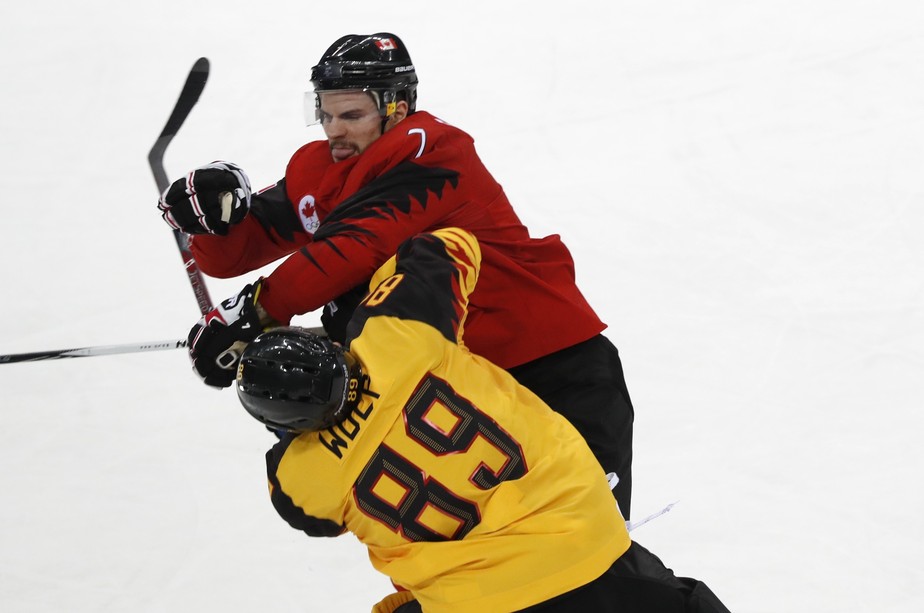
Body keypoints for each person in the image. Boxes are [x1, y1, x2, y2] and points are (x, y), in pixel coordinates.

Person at [161, 33, 635, 518]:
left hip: (550, 370)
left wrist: (253, 312)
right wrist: (218, 220)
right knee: (480, 562)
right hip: (454, 394)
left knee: (585, 544)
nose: (333, 131)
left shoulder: (432, 152)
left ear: (398, 108)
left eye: (351, 116)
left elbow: (355, 245)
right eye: (324, 114)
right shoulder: (321, 168)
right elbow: (232, 256)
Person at [234, 228, 730, 613]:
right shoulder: (395, 336)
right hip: (582, 547)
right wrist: (361, 306)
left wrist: (280, 415)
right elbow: (448, 245)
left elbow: (303, 499)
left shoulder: (298, 480)